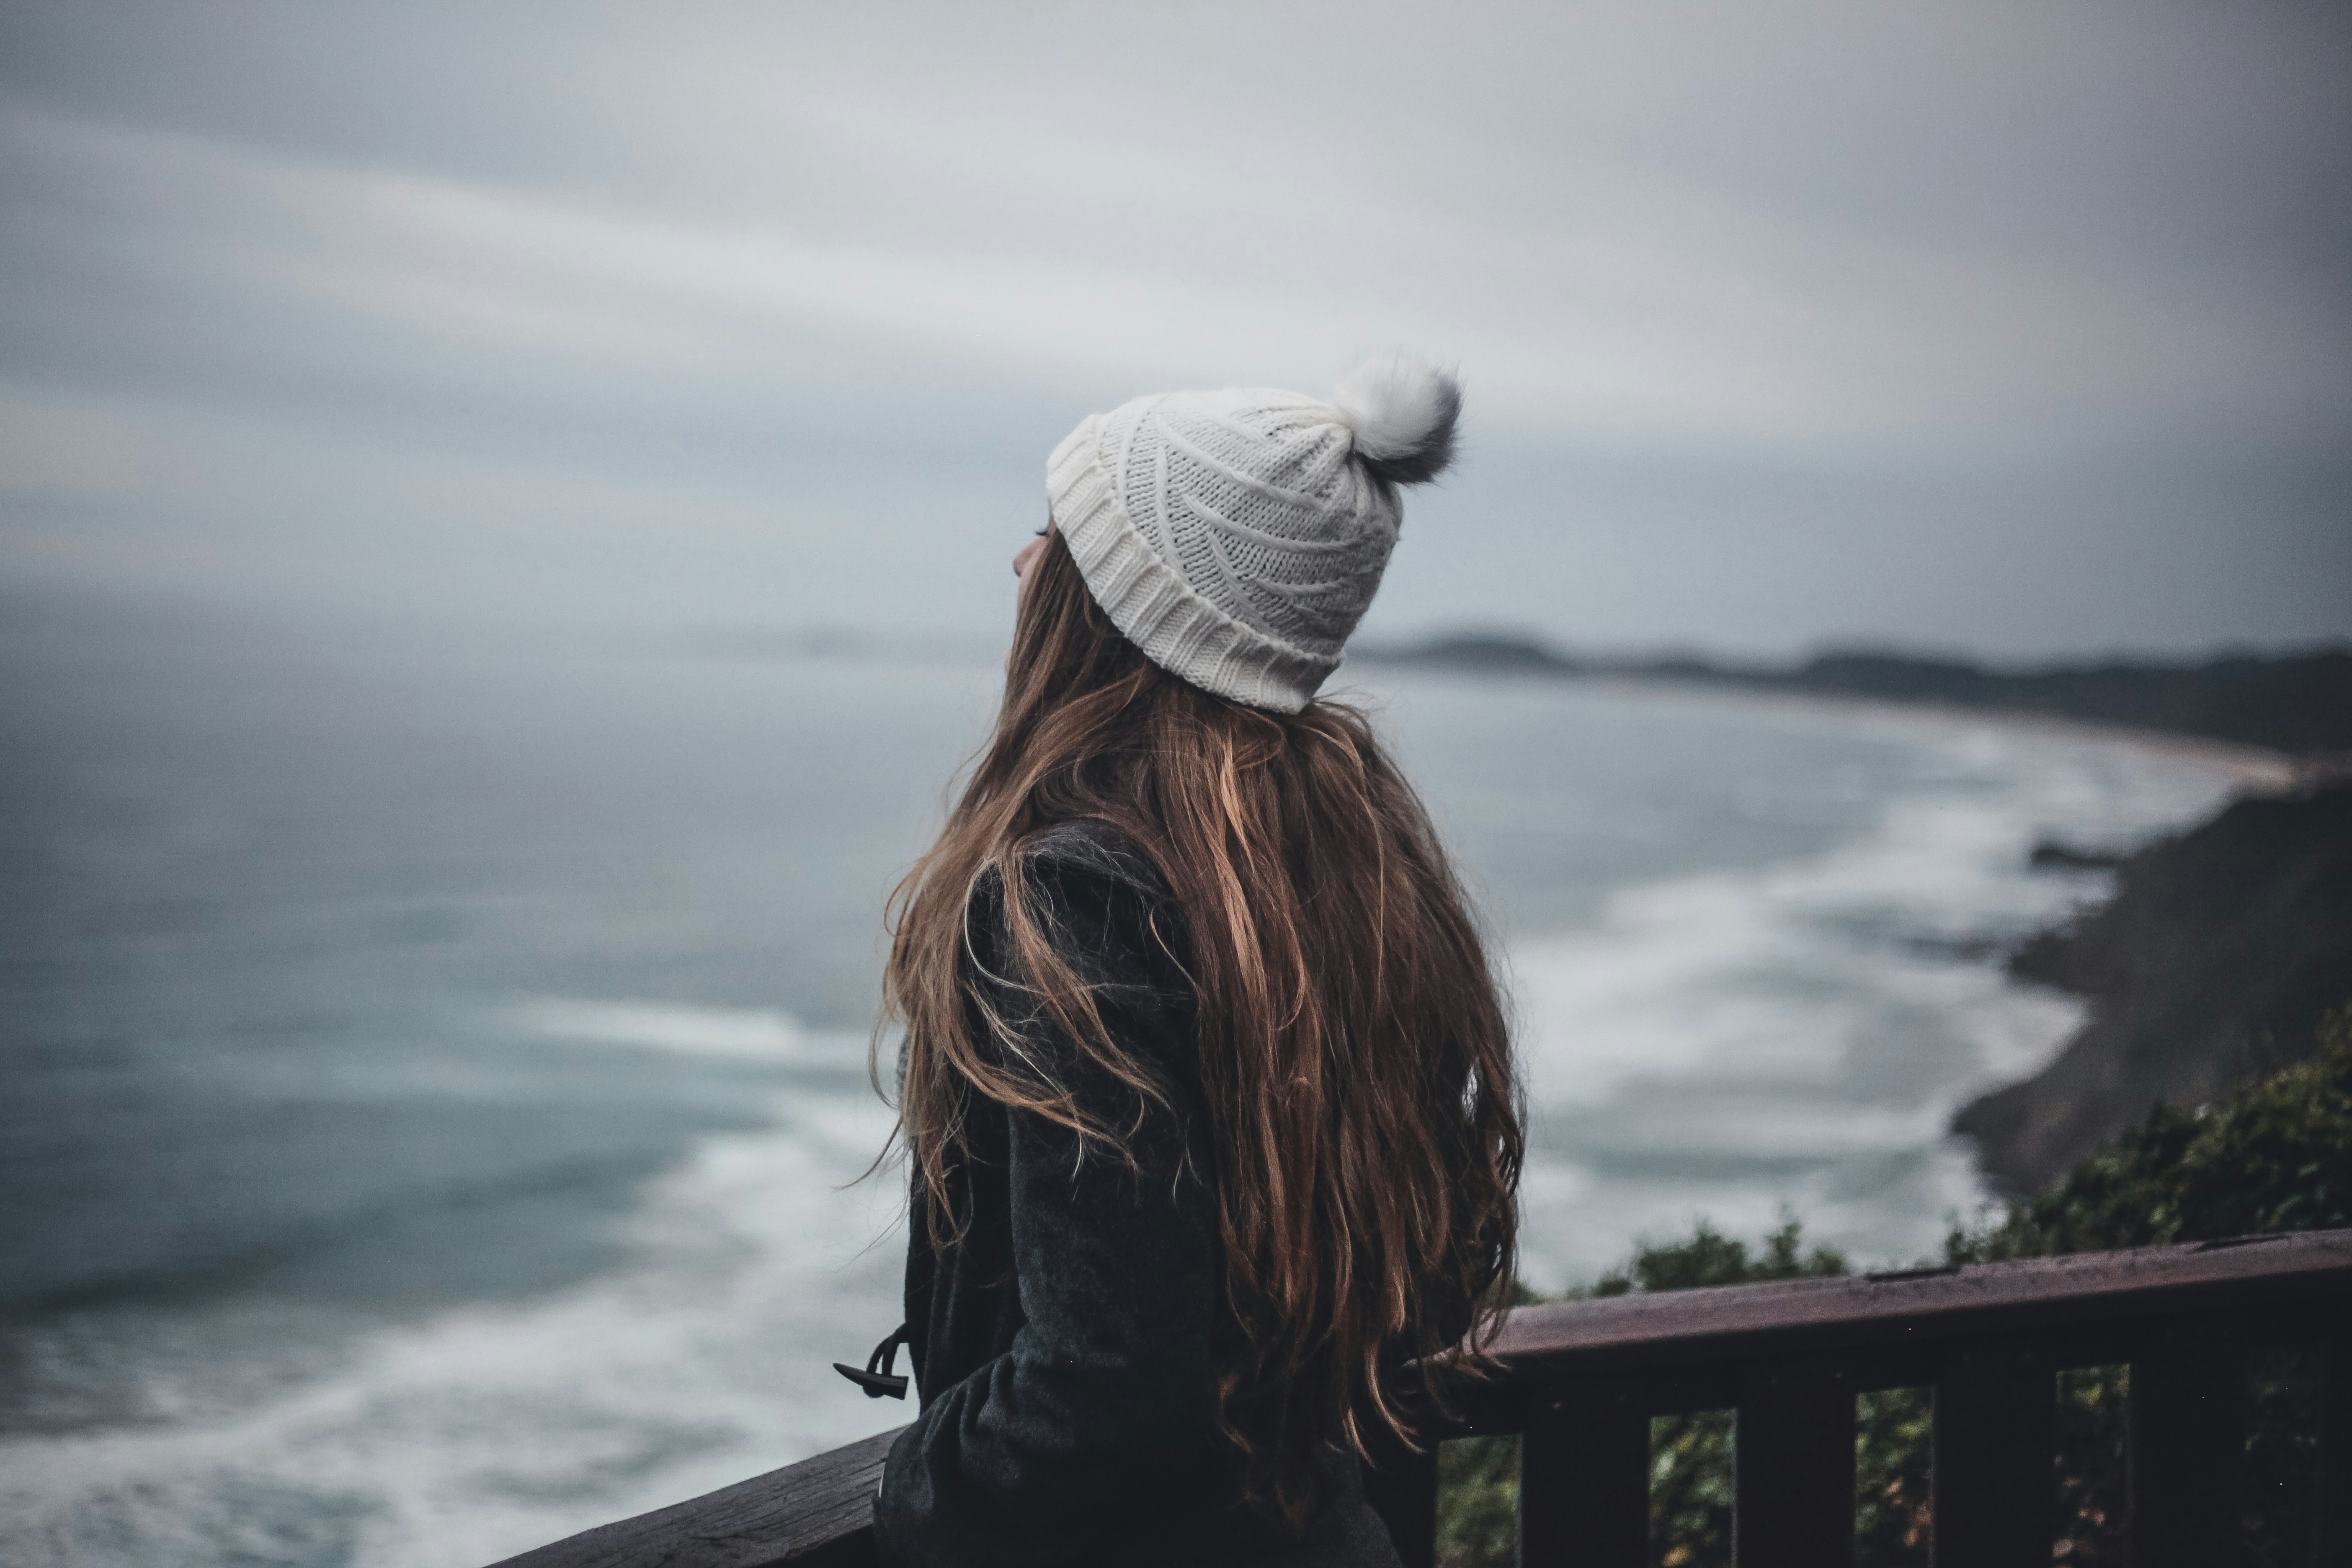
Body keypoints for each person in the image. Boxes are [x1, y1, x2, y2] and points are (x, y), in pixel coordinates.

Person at [861, 355, 1524, 1566]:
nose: (1022, 563)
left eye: (1053, 536)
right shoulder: (1342, 865)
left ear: (1123, 605)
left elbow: (1107, 1385)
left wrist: (915, 1490)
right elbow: (1409, 1280)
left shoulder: (1074, 895)